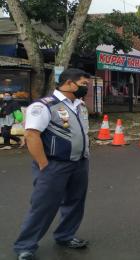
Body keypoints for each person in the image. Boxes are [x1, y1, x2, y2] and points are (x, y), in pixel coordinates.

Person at [13, 68, 91, 260]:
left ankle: (65, 236)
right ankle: (25, 246)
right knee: (43, 206)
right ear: (69, 83)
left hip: (79, 163)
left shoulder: (79, 105)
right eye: (83, 84)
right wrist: (43, 164)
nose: (85, 88)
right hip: (53, 165)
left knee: (75, 203)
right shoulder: (44, 106)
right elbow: (32, 135)